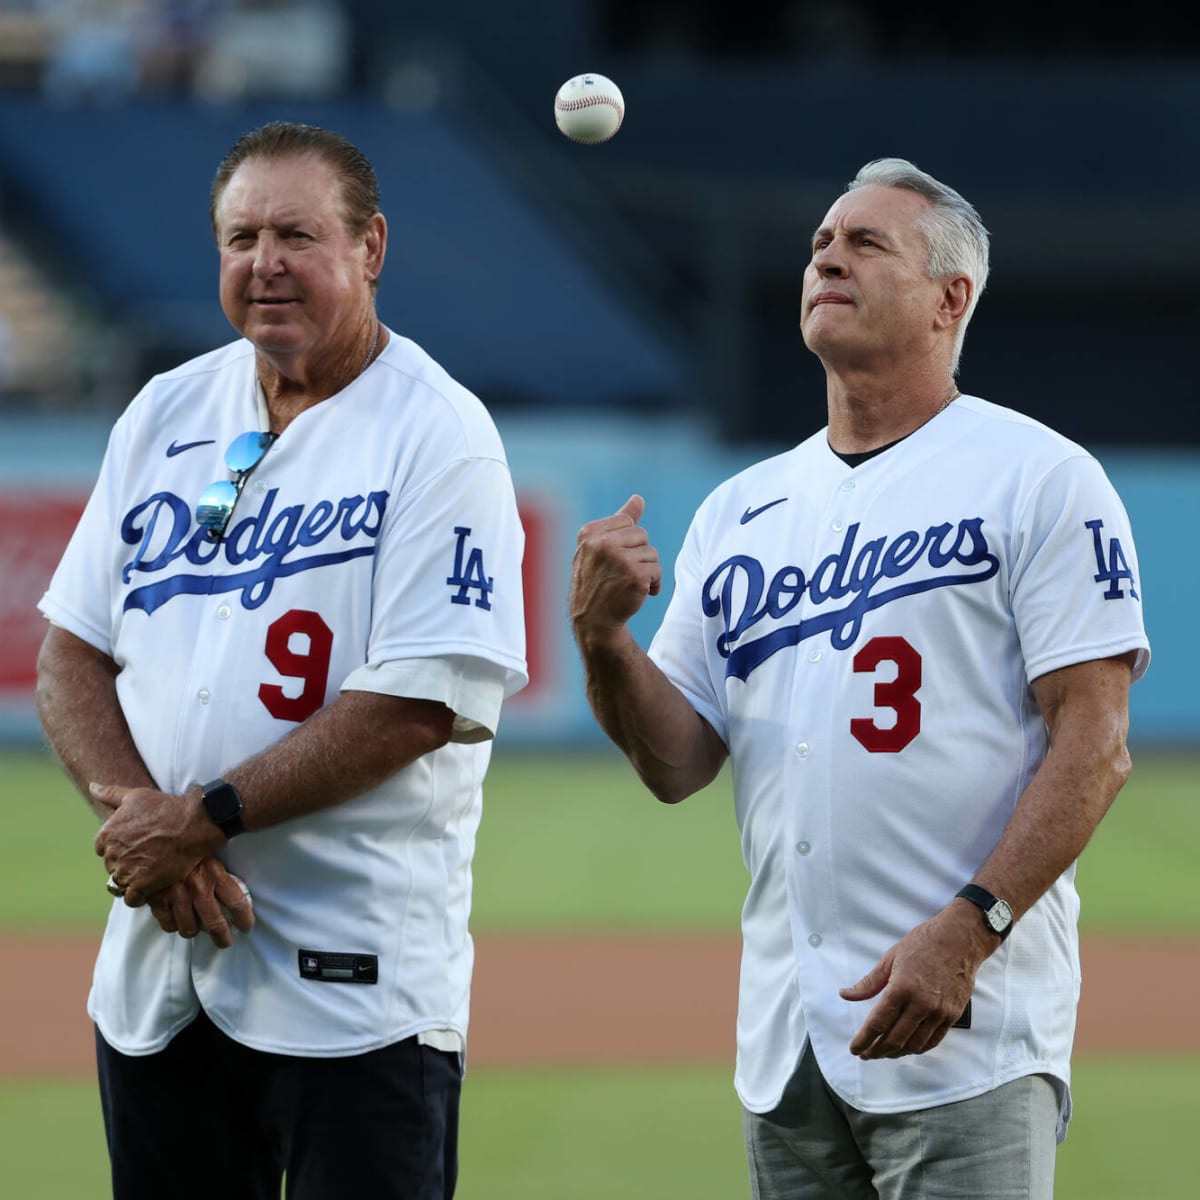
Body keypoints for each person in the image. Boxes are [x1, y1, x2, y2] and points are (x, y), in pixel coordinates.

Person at [569, 158, 1149, 1199]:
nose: (826, 255)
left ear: (950, 299)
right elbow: (677, 763)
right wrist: (604, 642)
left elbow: (1095, 745)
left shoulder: (1041, 477)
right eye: (818, 245)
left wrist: (973, 929)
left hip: (967, 1035)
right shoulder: (741, 509)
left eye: (865, 243)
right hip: (788, 1043)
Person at [36, 120, 527, 1200]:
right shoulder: (166, 411)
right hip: (161, 981)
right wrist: (142, 822)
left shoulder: (439, 435)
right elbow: (70, 649)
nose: (266, 264)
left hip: (357, 997)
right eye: (241, 236)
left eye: (298, 235)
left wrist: (199, 818)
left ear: (373, 247)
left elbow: (415, 705)